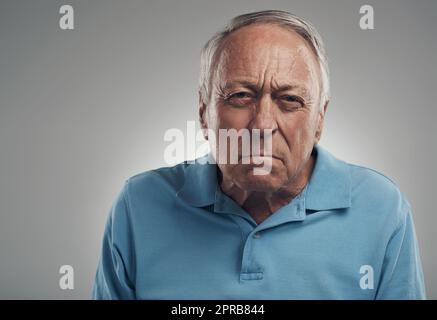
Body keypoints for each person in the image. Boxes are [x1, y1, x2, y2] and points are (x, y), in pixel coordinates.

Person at [92, 10, 426, 299]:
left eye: (290, 100)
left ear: (319, 120)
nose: (263, 125)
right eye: (240, 95)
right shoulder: (139, 205)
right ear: (204, 111)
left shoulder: (381, 208)